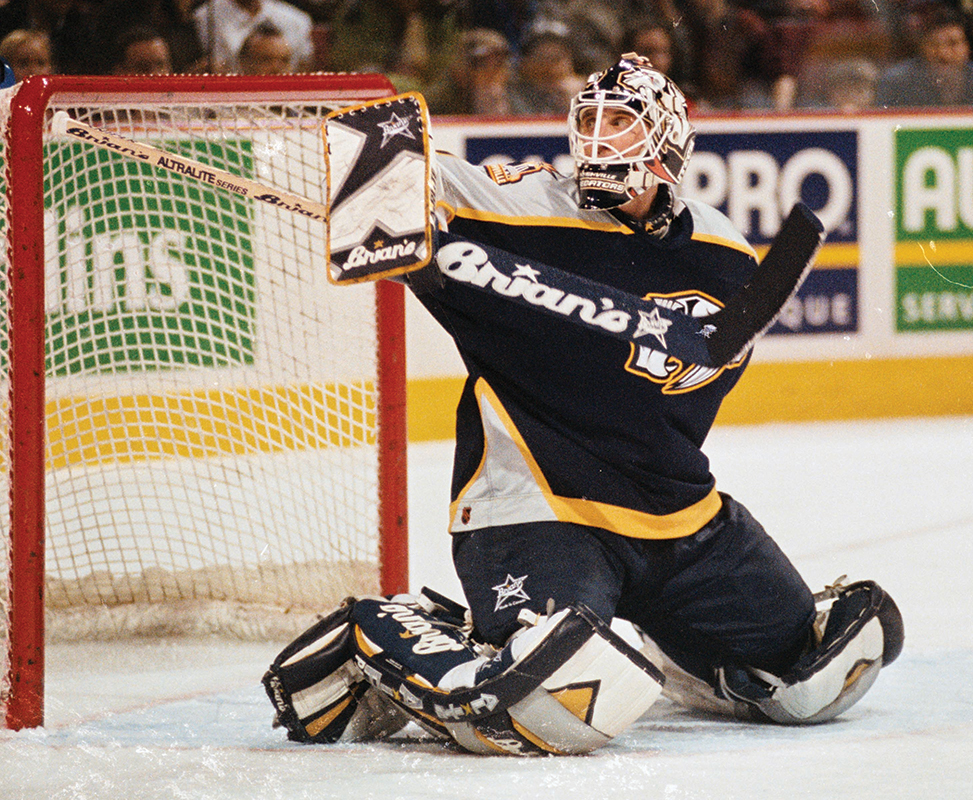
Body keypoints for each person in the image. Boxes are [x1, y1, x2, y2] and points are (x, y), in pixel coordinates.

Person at [266, 53, 903, 755]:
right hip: (535, 511)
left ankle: (688, 656)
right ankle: (380, 634)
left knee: (813, 674)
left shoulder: (723, 255)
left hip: (681, 521)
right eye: (590, 121)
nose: (600, 139)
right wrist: (383, 200)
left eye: (622, 123)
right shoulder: (526, 206)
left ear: (667, 142)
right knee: (544, 698)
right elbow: (403, 164)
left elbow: (679, 393)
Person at [875, 3, 973, 106]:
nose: (943, 53)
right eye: (934, 44)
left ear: (967, 46)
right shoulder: (896, 82)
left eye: (953, 43)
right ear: (922, 47)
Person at [192, 0, 313, 74]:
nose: (275, 68)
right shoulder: (203, 18)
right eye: (266, 60)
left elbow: (304, 67)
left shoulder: (298, 20)